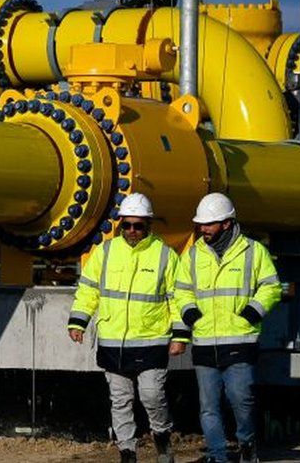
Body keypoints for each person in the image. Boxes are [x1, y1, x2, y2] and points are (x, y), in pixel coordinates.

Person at [68, 193, 188, 463]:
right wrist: (78, 321)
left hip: (152, 340)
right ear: (120, 223)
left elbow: (178, 299)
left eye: (139, 225)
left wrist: (180, 336)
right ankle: (127, 452)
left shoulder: (166, 256)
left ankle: (162, 438)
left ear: (148, 225)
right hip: (112, 342)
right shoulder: (106, 252)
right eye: (128, 225)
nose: (132, 231)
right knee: (120, 400)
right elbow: (88, 289)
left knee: (152, 395)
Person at [174, 193, 282, 463]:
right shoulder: (192, 255)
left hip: (240, 339)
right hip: (204, 341)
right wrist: (190, 313)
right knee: (208, 408)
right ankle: (217, 456)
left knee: (241, 400)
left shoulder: (253, 251)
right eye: (201, 224)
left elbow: (271, 285)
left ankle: (247, 444)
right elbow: (181, 290)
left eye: (209, 224)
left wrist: (253, 311)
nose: (203, 229)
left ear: (226, 223)